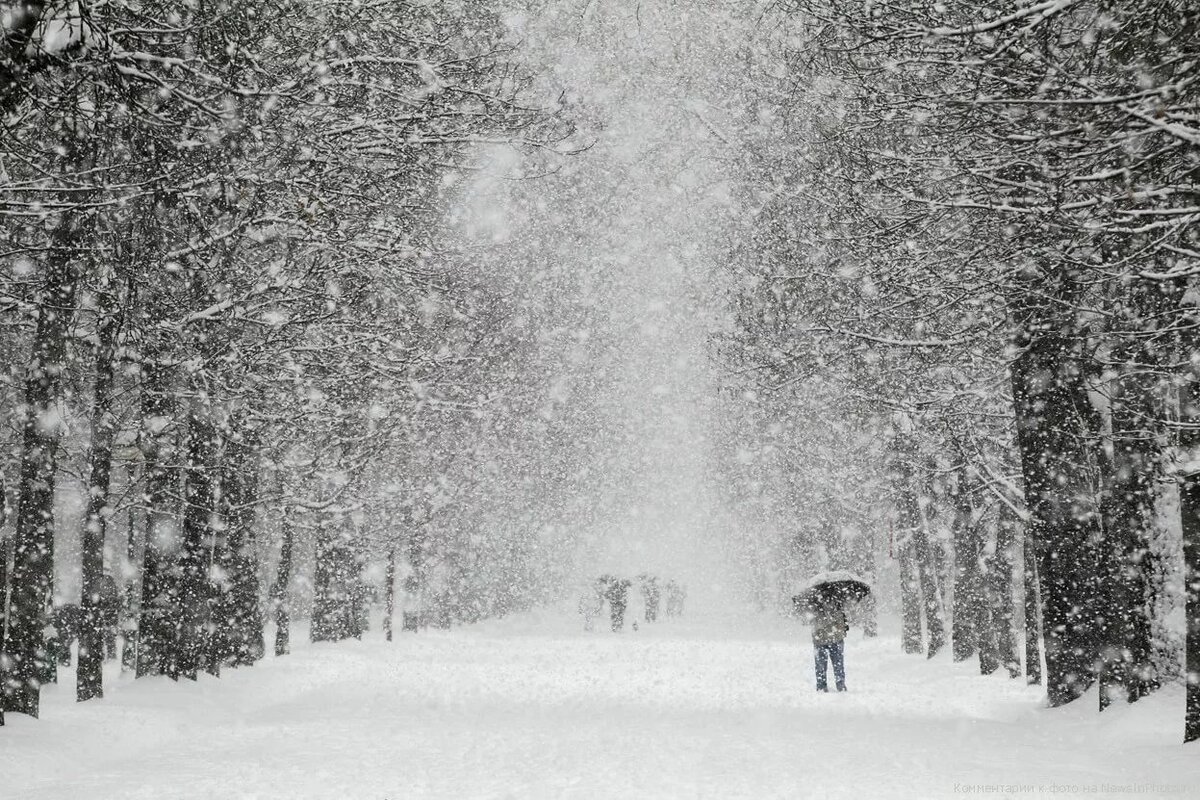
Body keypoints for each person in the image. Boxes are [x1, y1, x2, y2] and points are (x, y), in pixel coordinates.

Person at [807, 596, 849, 692]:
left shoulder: (814, 604)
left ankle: (822, 686)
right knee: (838, 664)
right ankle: (840, 685)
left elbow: (812, 624)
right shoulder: (838, 602)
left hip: (821, 639)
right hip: (834, 638)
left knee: (821, 665)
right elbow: (841, 623)